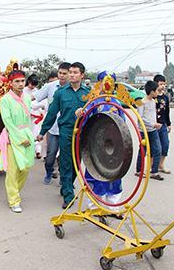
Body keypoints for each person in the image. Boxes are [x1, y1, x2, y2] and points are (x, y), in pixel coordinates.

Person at [37, 62, 90, 209]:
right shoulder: (60, 93)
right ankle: (68, 195)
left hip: (82, 132)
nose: (72, 74)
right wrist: (42, 131)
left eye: (75, 72)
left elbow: (94, 112)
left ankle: (66, 186)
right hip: (66, 131)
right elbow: (52, 113)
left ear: (82, 75)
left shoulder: (88, 93)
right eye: (70, 72)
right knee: (66, 163)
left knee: (76, 164)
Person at [80, 71, 124, 216]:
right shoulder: (93, 103)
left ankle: (113, 207)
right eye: (104, 82)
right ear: (98, 84)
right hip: (95, 146)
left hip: (113, 146)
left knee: (114, 176)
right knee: (95, 175)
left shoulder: (116, 103)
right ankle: (94, 207)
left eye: (111, 82)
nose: (107, 85)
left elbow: (122, 126)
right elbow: (86, 122)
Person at [0, 69, 35, 213]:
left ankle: (14, 192)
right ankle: (13, 200)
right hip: (12, 136)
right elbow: (8, 122)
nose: (20, 84)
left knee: (25, 167)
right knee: (13, 170)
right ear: (10, 83)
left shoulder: (26, 97)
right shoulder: (5, 100)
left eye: (22, 81)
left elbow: (28, 118)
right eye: (17, 81)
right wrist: (20, 138)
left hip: (26, 133)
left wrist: (29, 136)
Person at [34, 62, 71, 184]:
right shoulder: (50, 87)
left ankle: (64, 180)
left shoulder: (74, 89)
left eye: (64, 73)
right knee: (50, 156)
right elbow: (35, 97)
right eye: (60, 73)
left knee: (66, 158)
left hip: (68, 130)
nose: (61, 76)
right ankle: (49, 172)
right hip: (53, 129)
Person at [135, 81, 164, 181]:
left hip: (153, 130)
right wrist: (153, 124)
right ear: (151, 91)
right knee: (142, 151)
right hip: (144, 131)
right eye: (156, 91)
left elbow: (153, 115)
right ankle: (139, 170)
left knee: (158, 150)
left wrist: (156, 123)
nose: (158, 92)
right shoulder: (141, 102)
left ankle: (154, 171)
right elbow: (140, 118)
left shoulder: (153, 101)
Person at [23, 74, 45, 159]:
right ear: (28, 82)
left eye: (34, 85)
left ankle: (38, 151)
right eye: (32, 84)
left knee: (36, 132)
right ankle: (27, 151)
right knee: (27, 133)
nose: (33, 87)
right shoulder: (23, 91)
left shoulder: (37, 91)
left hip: (36, 116)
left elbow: (41, 102)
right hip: (26, 116)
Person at [154, 74, 172, 174]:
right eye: (161, 84)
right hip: (154, 125)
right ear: (156, 84)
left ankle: (161, 164)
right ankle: (153, 166)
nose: (163, 86)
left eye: (164, 84)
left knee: (165, 145)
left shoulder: (165, 98)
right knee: (156, 147)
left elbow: (167, 111)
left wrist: (169, 124)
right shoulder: (153, 98)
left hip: (163, 124)